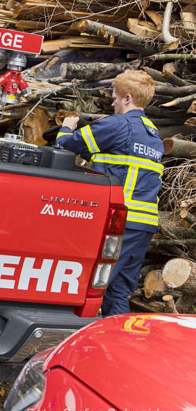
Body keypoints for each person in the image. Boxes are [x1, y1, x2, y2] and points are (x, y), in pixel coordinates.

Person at [56, 70, 163, 316]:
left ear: (127, 98)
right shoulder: (153, 135)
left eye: (114, 97)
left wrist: (66, 127)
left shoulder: (117, 125)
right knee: (118, 289)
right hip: (143, 225)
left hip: (117, 222)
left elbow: (66, 145)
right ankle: (118, 341)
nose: (112, 102)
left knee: (89, 283)